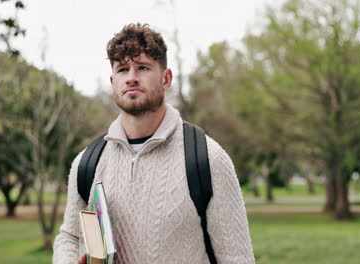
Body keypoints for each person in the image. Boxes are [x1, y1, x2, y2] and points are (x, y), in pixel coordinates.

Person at [53, 23, 255, 264]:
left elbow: (237, 258)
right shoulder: (87, 163)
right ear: (112, 81)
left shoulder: (208, 159)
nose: (131, 78)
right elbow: (69, 236)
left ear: (166, 78)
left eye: (143, 67)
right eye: (122, 69)